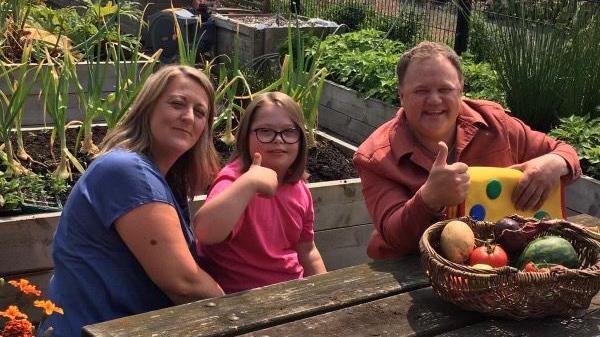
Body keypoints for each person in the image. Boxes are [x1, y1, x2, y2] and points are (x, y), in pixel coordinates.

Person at [39, 65, 225, 337]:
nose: (188, 117)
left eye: (200, 113)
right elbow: (184, 283)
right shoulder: (126, 170)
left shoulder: (161, 181)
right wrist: (232, 313)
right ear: (147, 108)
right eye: (177, 104)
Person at [353, 41, 582, 260]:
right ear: (401, 95)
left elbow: (564, 152)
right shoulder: (375, 156)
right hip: (409, 273)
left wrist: (554, 163)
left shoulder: (496, 123)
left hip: (497, 266)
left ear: (461, 90)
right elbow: (395, 237)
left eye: (445, 89)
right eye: (421, 91)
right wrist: (428, 199)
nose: (434, 100)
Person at [194, 91, 327, 294]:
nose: (278, 140)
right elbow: (205, 232)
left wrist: (328, 292)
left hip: (293, 291)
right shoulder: (234, 182)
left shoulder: (298, 188)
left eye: (289, 132)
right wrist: (249, 183)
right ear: (246, 136)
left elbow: (307, 250)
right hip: (244, 301)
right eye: (265, 131)